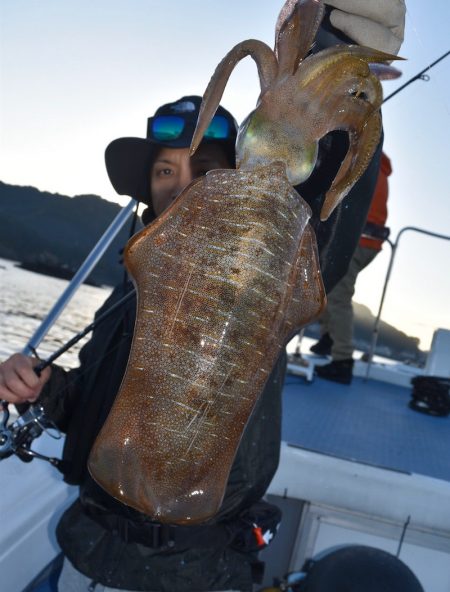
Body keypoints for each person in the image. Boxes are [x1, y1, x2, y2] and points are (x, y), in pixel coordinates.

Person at [0, 2, 405, 590]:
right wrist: (43, 386)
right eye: (165, 171)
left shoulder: (266, 273)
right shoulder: (132, 277)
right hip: (87, 548)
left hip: (188, 569)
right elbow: (93, 403)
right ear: (148, 188)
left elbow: (319, 228)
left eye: (205, 168)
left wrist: (332, 48)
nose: (182, 184)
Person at [312, 152, 393, 384]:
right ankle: (329, 339)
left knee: (336, 294)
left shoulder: (364, 158)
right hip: (368, 242)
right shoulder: (378, 165)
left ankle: (343, 361)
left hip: (357, 240)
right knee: (325, 285)